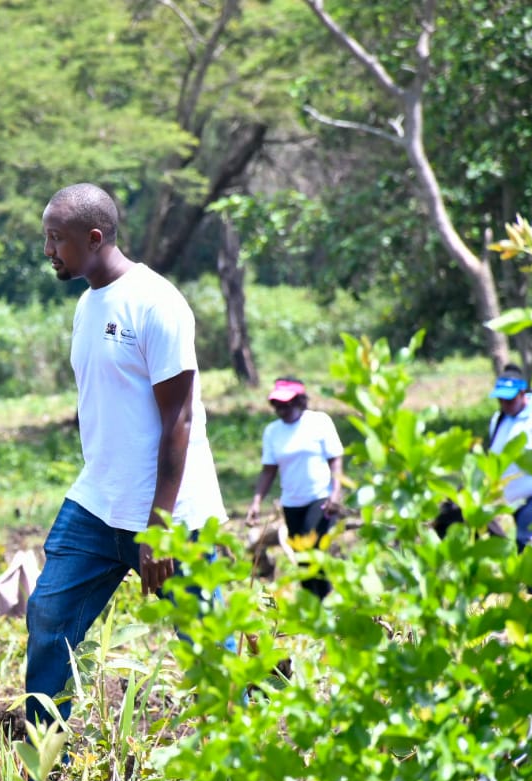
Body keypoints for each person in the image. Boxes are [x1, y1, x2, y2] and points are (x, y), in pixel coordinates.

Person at [25, 183, 229, 729]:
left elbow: (179, 420)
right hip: (100, 501)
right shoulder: (87, 305)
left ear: (94, 238)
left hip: (173, 514)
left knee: (209, 643)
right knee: (49, 616)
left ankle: (241, 751)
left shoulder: (156, 303)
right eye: (46, 237)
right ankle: (43, 753)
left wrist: (159, 527)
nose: (48, 250)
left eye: (56, 238)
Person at [244, 377, 344, 598]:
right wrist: (256, 502)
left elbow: (335, 459)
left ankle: (326, 603)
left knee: (315, 552)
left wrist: (336, 492)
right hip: (291, 503)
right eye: (277, 405)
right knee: (301, 559)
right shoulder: (272, 432)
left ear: (300, 401)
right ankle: (311, 607)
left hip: (320, 498)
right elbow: (268, 470)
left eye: (287, 404)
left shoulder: (319, 422)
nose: (282, 410)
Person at [487, 364, 532, 557]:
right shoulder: (499, 419)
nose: (505, 404)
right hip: (509, 504)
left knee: (528, 546)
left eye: (510, 399)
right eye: (501, 400)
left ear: (522, 393)